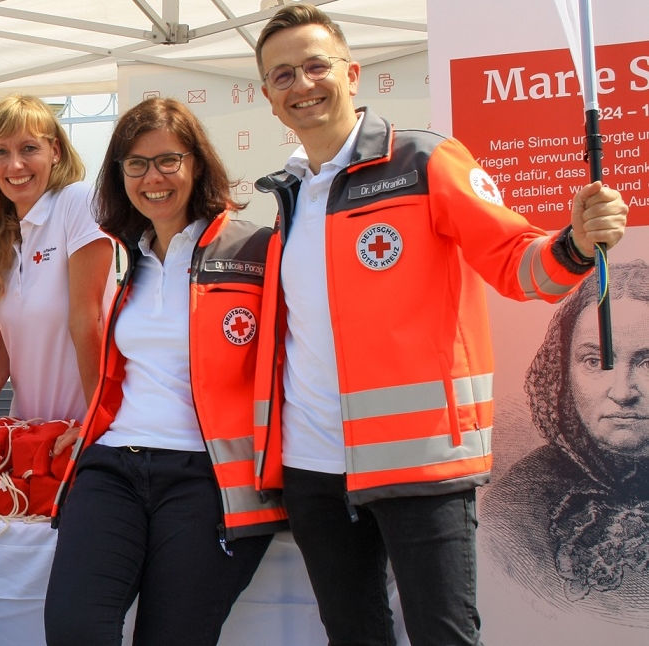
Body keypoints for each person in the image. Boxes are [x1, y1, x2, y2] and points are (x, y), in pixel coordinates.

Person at [250, 5, 630, 645]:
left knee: (443, 636)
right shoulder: (290, 192)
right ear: (267, 95)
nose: (302, 85)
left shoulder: (425, 160)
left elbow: (516, 262)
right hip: (312, 464)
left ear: (351, 73)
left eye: (316, 66)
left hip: (419, 458)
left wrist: (573, 246)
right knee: (352, 635)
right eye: (282, 75)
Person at [45, 97, 286, 645]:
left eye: (167, 160)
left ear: (196, 163)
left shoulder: (255, 249)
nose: (152, 177)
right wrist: (94, 422)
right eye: (136, 163)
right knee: (75, 630)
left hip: (208, 476)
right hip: (114, 466)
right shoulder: (130, 256)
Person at [482, 260, 649, 626]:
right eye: (594, 360)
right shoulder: (517, 507)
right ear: (562, 372)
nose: (623, 392)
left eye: (647, 362)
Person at [0, 94, 112, 427]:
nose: (15, 165)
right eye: (1, 152)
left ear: (55, 151)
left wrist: (95, 424)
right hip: (30, 437)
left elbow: (89, 321)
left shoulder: (77, 201)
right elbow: (1, 344)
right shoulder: (4, 235)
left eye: (28, 148)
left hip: (82, 433)